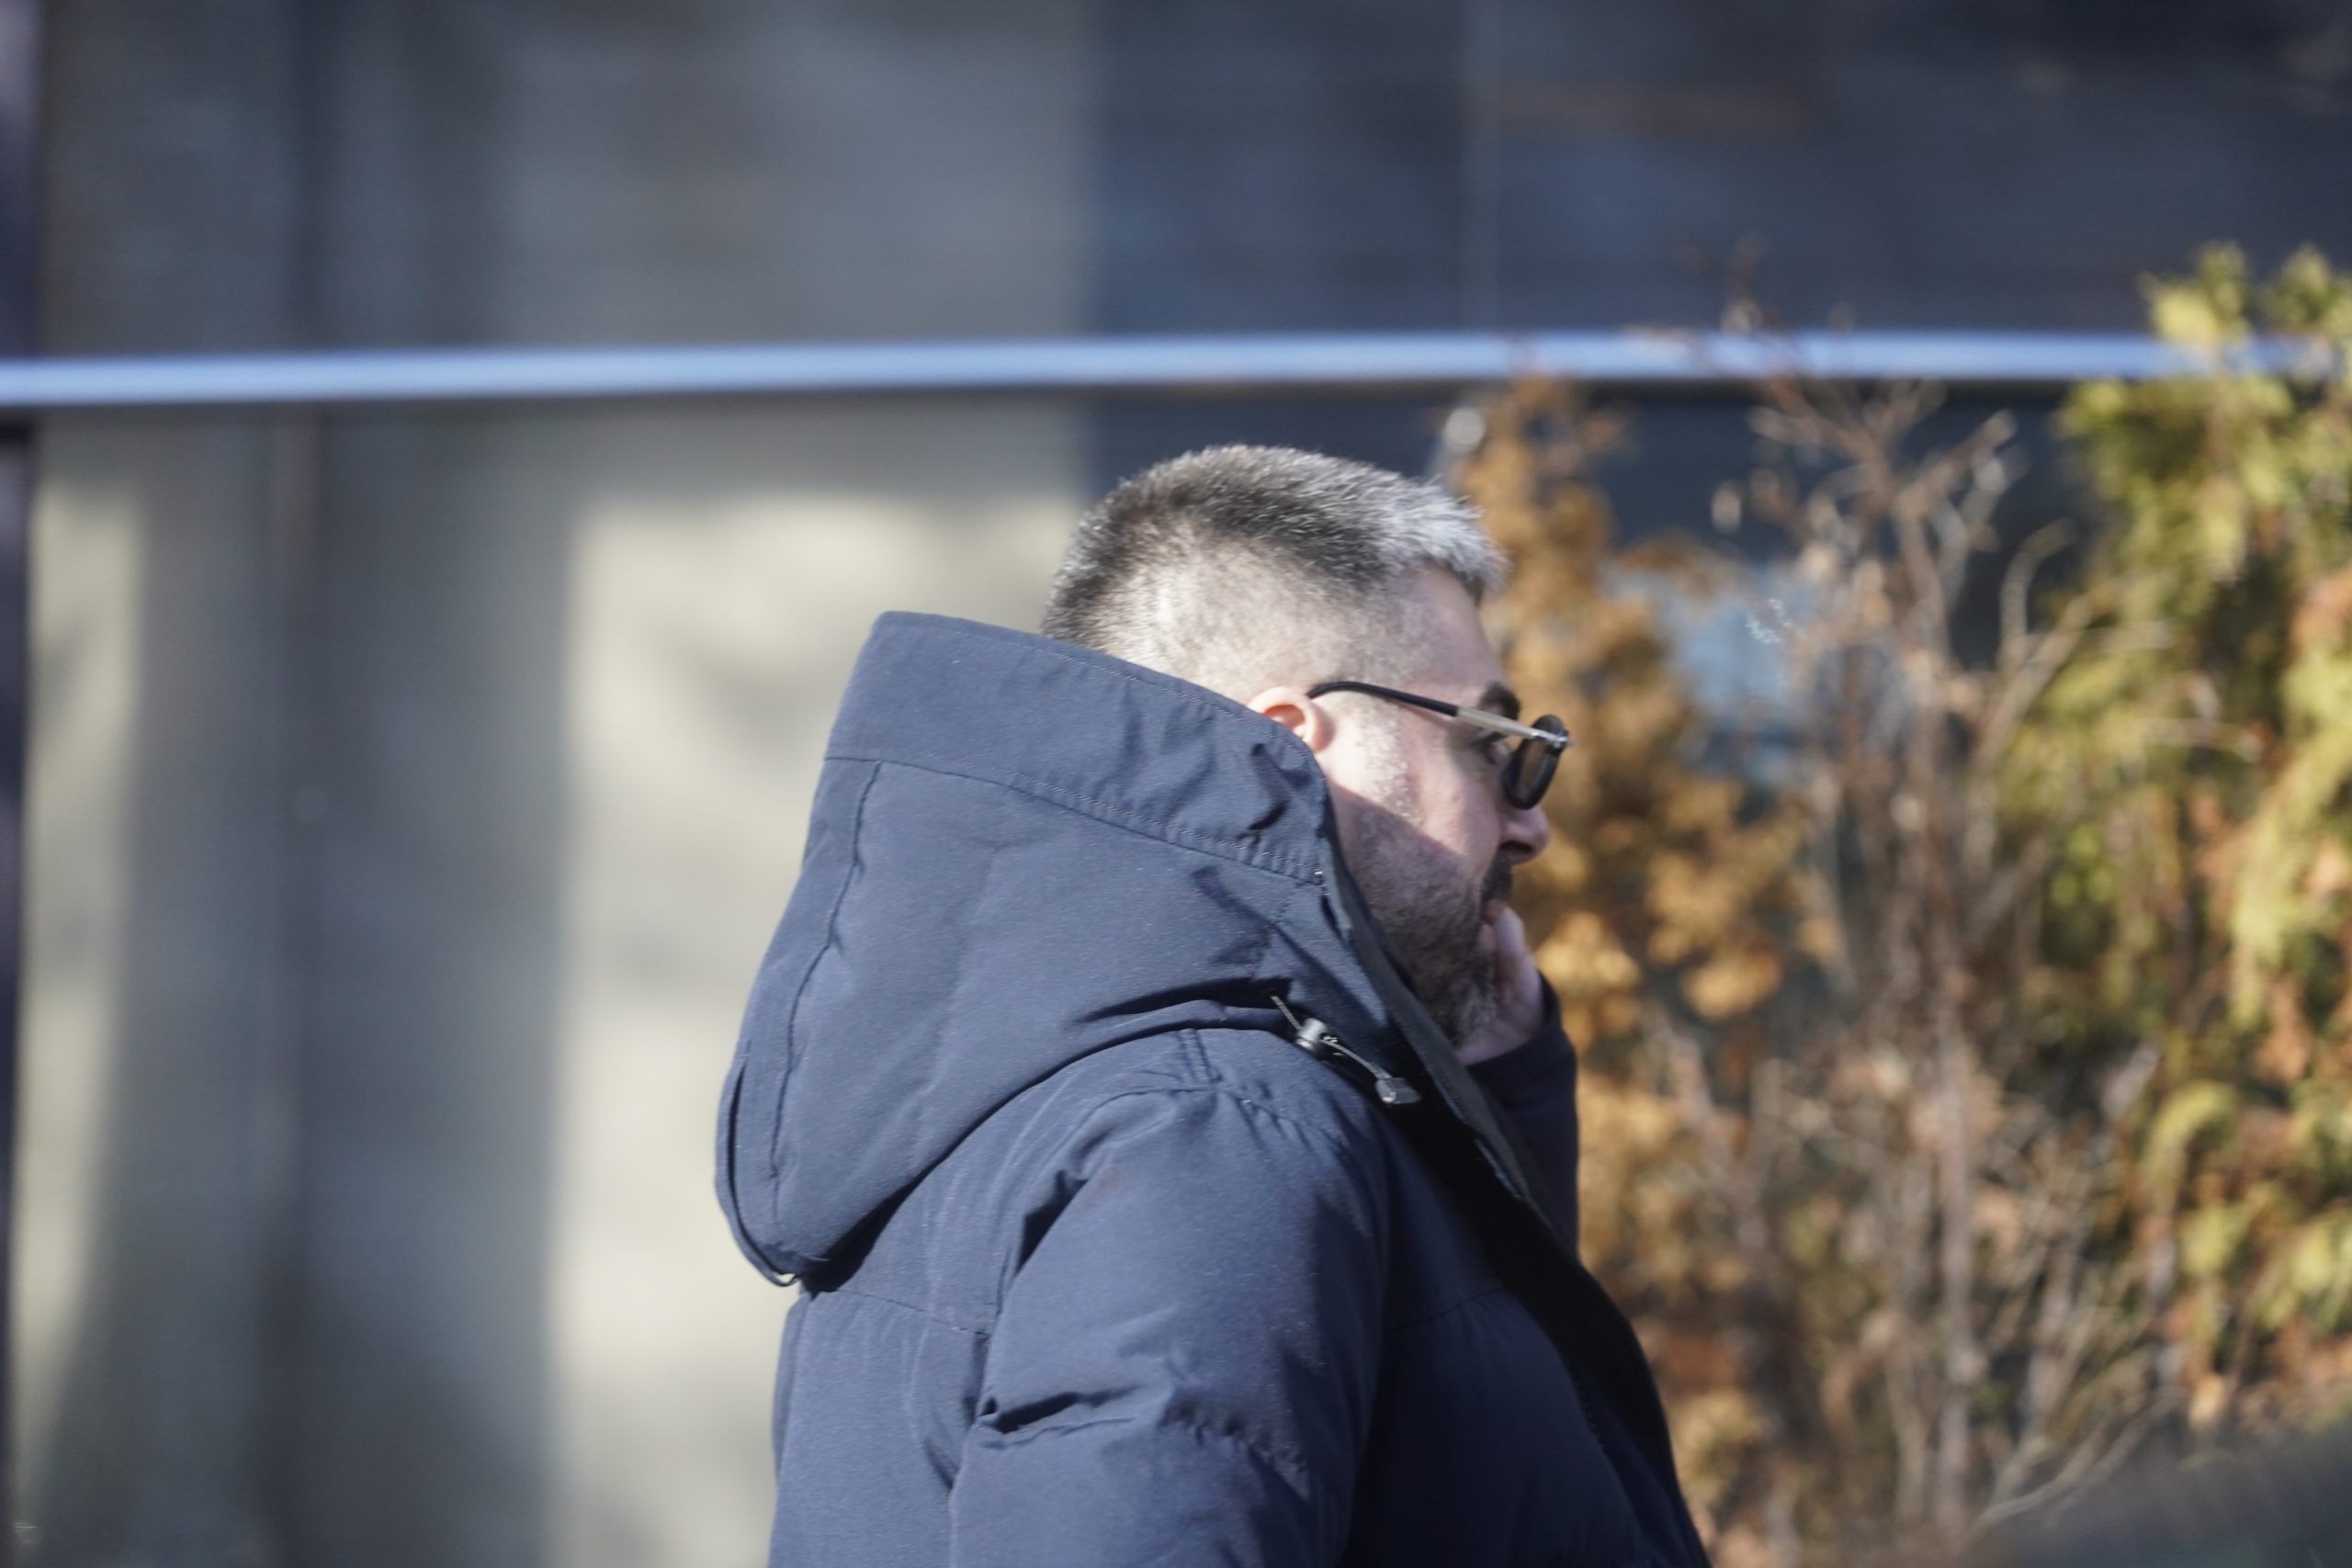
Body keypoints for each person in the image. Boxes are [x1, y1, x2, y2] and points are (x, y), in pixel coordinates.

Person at [715, 446, 1711, 1566]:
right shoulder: (1216, 1124)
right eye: (1490, 747)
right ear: (1287, 743)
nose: (1529, 822)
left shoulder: (1051, 1088)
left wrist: (1485, 1096)